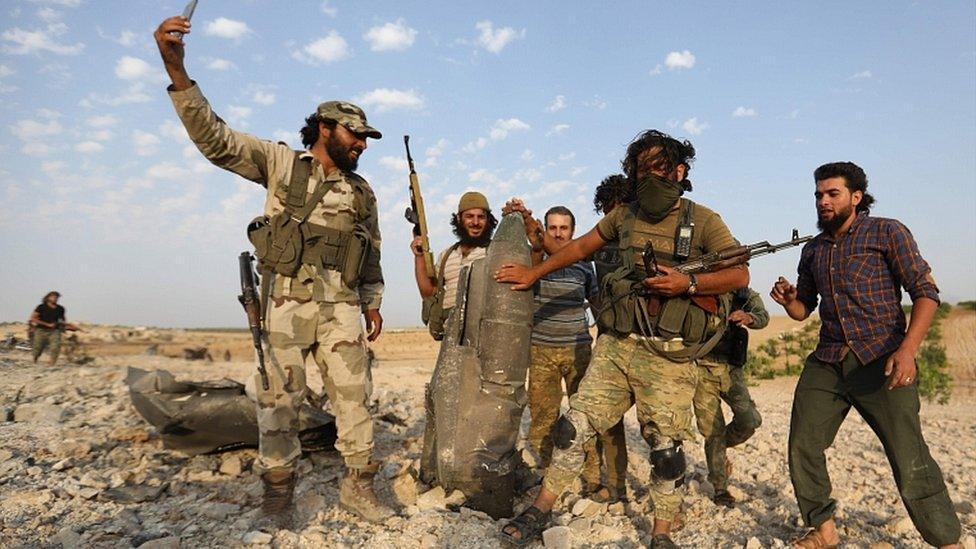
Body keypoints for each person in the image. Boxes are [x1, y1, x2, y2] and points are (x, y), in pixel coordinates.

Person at [154, 16, 391, 524]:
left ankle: (359, 488)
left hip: (342, 308)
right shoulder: (281, 164)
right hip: (284, 303)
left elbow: (370, 250)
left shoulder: (362, 191)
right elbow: (216, 141)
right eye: (356, 134)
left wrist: (372, 302)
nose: (363, 144)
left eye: (366, 137)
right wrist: (177, 70)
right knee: (278, 403)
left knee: (355, 399)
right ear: (326, 128)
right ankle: (278, 494)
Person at [496, 130, 749, 548]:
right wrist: (533, 273)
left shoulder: (703, 220)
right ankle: (540, 509)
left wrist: (687, 283)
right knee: (572, 429)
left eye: (658, 168)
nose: (648, 177)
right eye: (639, 169)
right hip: (617, 347)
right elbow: (579, 248)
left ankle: (661, 534)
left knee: (666, 451)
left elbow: (739, 273)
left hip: (668, 355)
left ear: (680, 171)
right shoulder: (624, 216)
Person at [770, 162, 961, 549]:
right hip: (828, 359)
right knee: (803, 443)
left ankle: (946, 541)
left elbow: (925, 293)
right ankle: (823, 529)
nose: (823, 201)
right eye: (819, 194)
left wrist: (908, 350)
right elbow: (803, 308)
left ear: (856, 197)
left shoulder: (887, 232)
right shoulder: (813, 249)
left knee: (909, 455)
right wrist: (791, 300)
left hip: (882, 358)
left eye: (832, 193)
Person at [519, 205, 627, 503]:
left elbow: (595, 302)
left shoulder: (584, 266)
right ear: (544, 229)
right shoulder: (535, 259)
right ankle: (546, 476)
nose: (557, 233)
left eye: (563, 228)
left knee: (585, 419)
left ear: (572, 231)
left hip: (579, 349)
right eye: (552, 227)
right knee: (542, 417)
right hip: (541, 350)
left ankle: (592, 478)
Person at [692, 287, 768, 508]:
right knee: (712, 431)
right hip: (701, 370)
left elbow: (763, 317)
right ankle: (720, 488)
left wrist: (749, 317)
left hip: (731, 371)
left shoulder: (743, 294)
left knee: (750, 420)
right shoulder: (696, 287)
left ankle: (718, 449)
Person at [411, 191, 496, 339]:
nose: (476, 222)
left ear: (488, 220)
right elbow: (429, 292)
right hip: (451, 336)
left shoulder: (496, 252)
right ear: (459, 218)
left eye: (481, 217)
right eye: (469, 216)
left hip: (484, 336)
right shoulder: (447, 255)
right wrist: (419, 257)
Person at [30, 291, 66, 365]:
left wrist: (63, 325)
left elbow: (62, 319)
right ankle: (34, 360)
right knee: (38, 348)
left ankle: (52, 364)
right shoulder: (41, 307)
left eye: (57, 297)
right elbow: (33, 318)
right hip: (41, 330)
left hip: (54, 330)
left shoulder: (60, 308)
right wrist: (47, 324)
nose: (55, 299)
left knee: (56, 347)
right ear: (48, 298)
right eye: (53, 297)